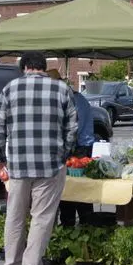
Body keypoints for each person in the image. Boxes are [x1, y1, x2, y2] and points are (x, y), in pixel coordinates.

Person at [0, 52, 77, 265]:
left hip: (18, 165)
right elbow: (72, 127)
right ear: (42, 66)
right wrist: (64, 154)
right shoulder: (61, 89)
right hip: (50, 165)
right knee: (41, 218)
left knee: (15, 216)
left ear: (25, 67)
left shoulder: (10, 89)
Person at [48, 70, 95, 228]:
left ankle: (83, 226)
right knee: (68, 191)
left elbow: (74, 129)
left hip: (81, 148)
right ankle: (71, 226)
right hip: (72, 147)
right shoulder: (66, 97)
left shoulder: (74, 99)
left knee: (79, 191)